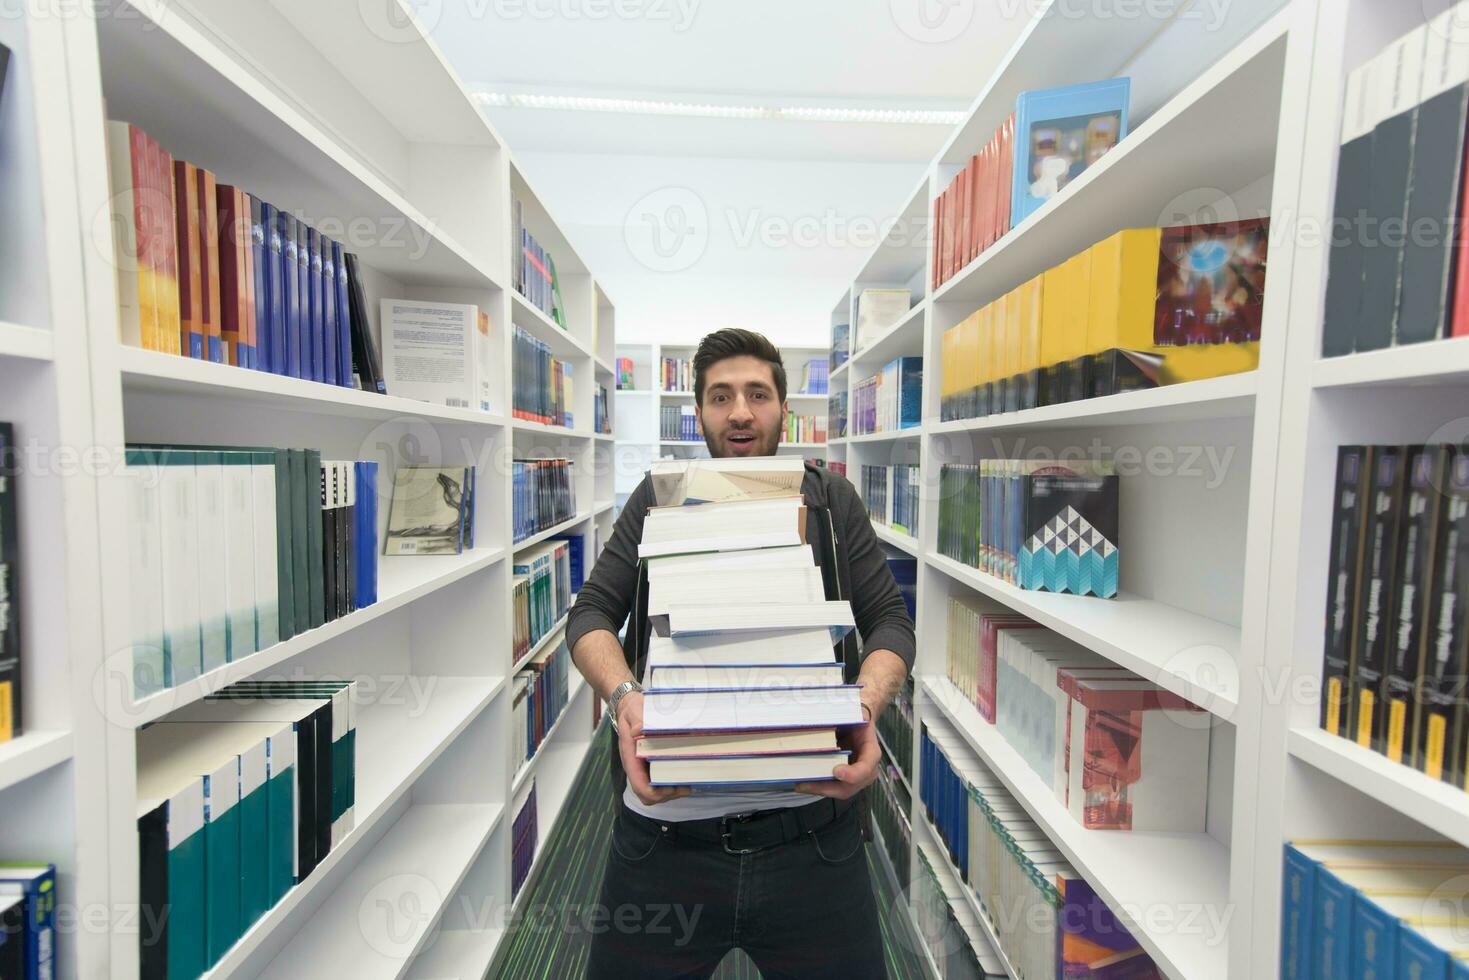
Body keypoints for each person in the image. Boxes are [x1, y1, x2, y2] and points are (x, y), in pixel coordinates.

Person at [567, 327, 915, 979]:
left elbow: (891, 623)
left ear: (783, 408)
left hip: (813, 841)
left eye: (757, 394)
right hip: (664, 842)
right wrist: (622, 699)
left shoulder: (831, 502)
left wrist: (865, 703)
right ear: (698, 411)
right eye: (720, 396)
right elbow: (589, 615)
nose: (740, 412)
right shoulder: (657, 497)